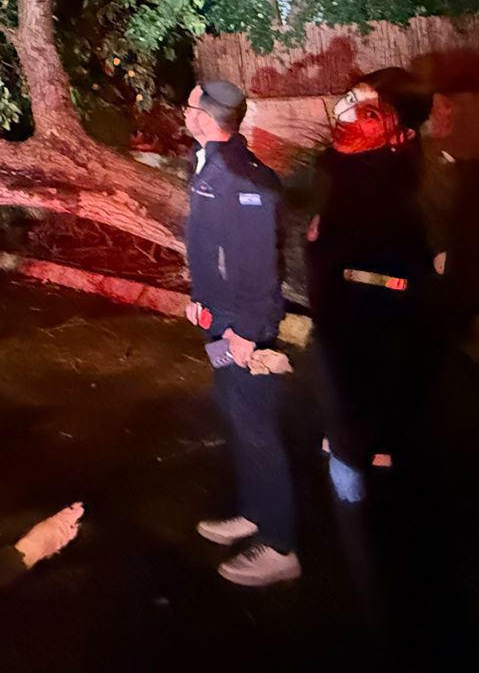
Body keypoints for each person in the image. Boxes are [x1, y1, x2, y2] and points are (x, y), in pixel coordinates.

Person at [303, 68, 448, 508]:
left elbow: (426, 260)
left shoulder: (414, 179)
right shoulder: (339, 169)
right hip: (342, 309)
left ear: (393, 126)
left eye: (362, 106)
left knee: (384, 392)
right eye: (346, 98)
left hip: (383, 315)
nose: (344, 110)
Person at [182, 77, 300, 587]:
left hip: (244, 327)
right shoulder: (211, 164)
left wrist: (249, 333)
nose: (182, 112)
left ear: (205, 117)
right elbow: (215, 249)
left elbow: (257, 267)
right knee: (239, 420)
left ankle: (279, 545)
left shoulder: (244, 179)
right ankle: (255, 511)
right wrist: (203, 302)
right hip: (223, 320)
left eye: (188, 105)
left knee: (258, 433)